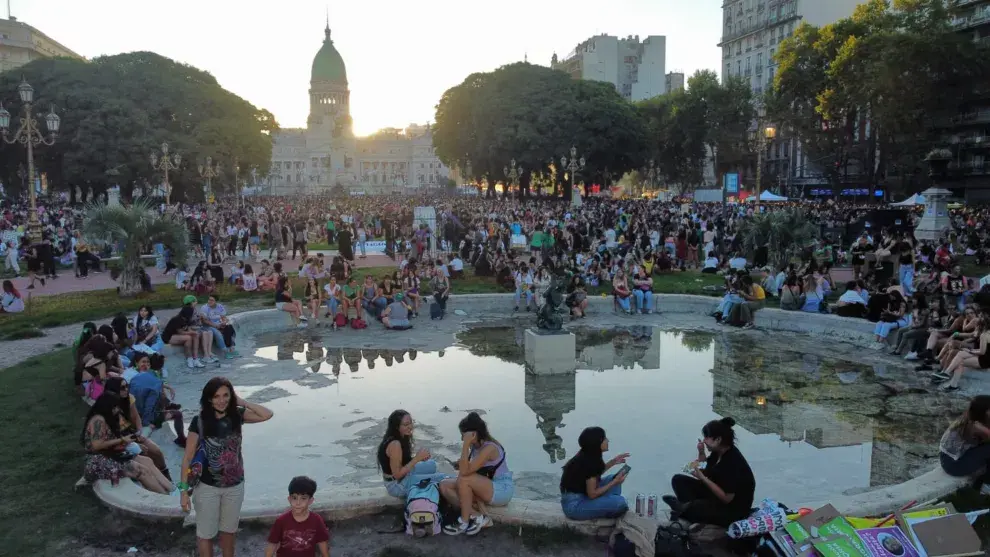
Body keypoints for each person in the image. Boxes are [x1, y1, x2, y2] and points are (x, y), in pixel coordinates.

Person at [180, 377, 274, 557]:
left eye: (226, 395)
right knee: (205, 534)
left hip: (235, 486)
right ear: (209, 398)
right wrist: (183, 491)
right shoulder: (199, 421)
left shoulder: (237, 415)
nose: (221, 400)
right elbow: (188, 458)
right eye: (216, 396)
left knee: (229, 532)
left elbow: (267, 414)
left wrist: (243, 402)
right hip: (207, 487)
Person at [662, 417, 755, 528]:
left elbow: (727, 499)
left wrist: (703, 478)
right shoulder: (718, 452)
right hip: (716, 496)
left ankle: (687, 509)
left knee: (697, 507)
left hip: (732, 510)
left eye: (707, 437)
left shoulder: (733, 462)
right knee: (678, 480)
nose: (704, 440)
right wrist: (701, 452)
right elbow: (705, 469)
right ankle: (686, 508)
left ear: (718, 439)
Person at [81, 392, 173, 493]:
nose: (117, 409)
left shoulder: (108, 418)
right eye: (115, 407)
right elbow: (97, 445)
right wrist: (122, 440)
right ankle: (164, 495)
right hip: (96, 461)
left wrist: (130, 445)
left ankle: (173, 490)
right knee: (140, 470)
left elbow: (110, 443)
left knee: (147, 461)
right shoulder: (98, 420)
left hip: (110, 454)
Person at [439, 412, 514, 536]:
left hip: (501, 489)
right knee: (444, 485)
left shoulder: (489, 448)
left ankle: (463, 521)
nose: (462, 439)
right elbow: (469, 468)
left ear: (473, 434)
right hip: (486, 486)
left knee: (464, 479)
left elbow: (465, 473)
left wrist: (465, 444)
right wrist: (460, 462)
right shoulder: (476, 446)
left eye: (463, 435)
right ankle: (478, 516)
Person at [558, 426, 629, 520]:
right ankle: (608, 505)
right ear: (597, 442)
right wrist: (614, 482)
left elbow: (593, 473)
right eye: (604, 439)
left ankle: (606, 504)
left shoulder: (588, 454)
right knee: (620, 503)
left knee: (612, 477)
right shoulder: (589, 462)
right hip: (575, 506)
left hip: (583, 495)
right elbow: (592, 494)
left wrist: (613, 462)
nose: (608, 441)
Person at [376, 409, 448, 499]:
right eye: (406, 425)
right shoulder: (395, 444)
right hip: (396, 485)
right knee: (443, 478)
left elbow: (403, 462)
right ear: (396, 427)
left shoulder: (401, 437)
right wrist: (417, 459)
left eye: (411, 423)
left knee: (433, 465)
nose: (410, 427)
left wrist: (420, 458)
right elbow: (397, 475)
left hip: (404, 476)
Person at [265, 476, 330, 557]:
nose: (298, 503)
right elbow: (272, 544)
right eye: (294, 498)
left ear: (310, 501)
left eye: (303, 498)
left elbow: (322, 542)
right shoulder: (281, 521)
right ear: (289, 499)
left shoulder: (316, 520)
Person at [939, 395, 990, 494]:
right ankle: (985, 485)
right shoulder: (974, 425)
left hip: (957, 455)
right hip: (953, 464)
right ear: (983, 410)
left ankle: (983, 483)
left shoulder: (975, 418)